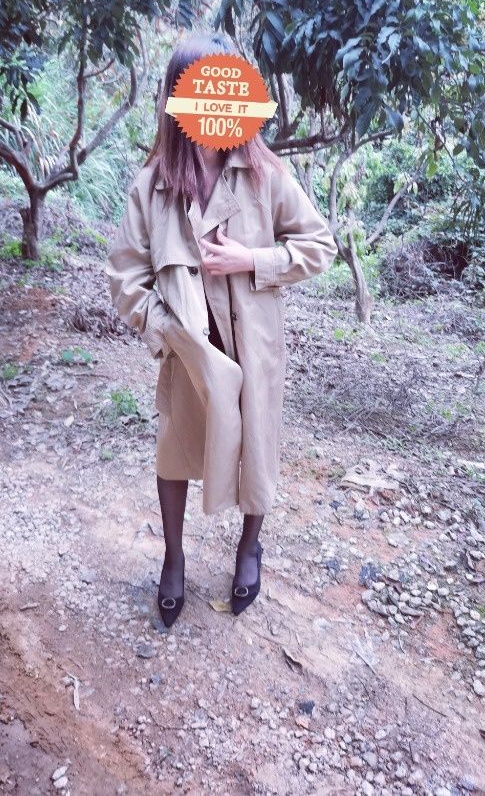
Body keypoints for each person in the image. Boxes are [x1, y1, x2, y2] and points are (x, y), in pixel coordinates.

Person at [105, 31, 338, 626]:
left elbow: (319, 245)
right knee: (176, 449)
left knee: (257, 446)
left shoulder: (264, 174)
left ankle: (248, 548)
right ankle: (174, 558)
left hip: (253, 347)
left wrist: (251, 260)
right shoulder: (152, 185)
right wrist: (165, 328)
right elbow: (126, 277)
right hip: (188, 351)